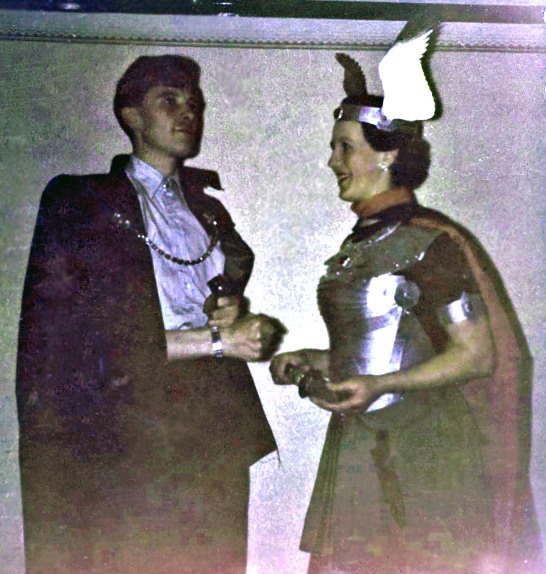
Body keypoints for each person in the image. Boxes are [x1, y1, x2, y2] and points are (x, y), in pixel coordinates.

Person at [270, 44, 542, 573]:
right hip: (365, 435)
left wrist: (380, 385)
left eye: (345, 147)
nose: (332, 162)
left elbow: (476, 356)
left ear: (387, 155)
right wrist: (318, 360)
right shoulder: (362, 243)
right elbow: (392, 343)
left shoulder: (430, 243)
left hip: (427, 446)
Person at [16, 54, 283, 574]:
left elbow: (196, 292)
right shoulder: (82, 200)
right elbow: (77, 336)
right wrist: (219, 342)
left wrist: (225, 309)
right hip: (125, 421)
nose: (188, 113)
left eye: (194, 103)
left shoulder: (207, 210)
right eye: (169, 100)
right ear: (131, 116)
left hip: (211, 420)